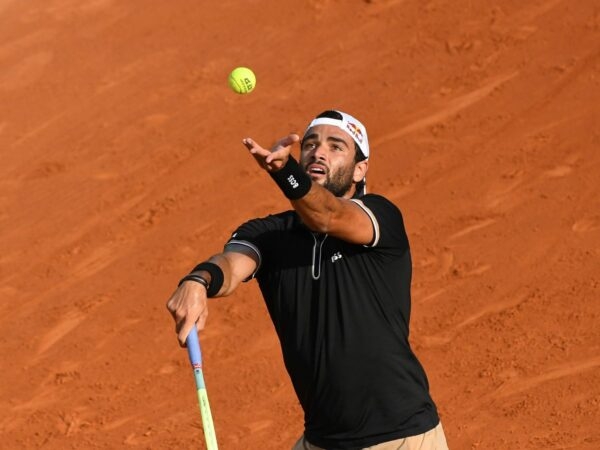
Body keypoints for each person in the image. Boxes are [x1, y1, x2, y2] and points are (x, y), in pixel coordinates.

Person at [166, 110, 449, 449]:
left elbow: (329, 216)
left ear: (360, 169)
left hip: (401, 437)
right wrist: (198, 280)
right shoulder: (270, 233)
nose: (319, 152)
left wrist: (285, 172)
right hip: (321, 441)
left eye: (336, 146)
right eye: (311, 144)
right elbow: (229, 266)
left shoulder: (380, 217)